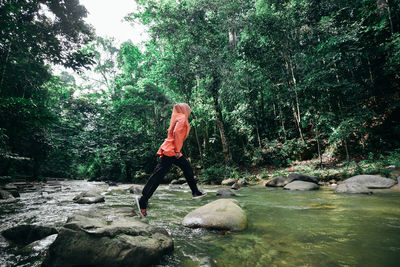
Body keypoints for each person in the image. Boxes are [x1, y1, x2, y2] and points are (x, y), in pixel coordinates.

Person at [135, 103, 206, 217]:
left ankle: (195, 192)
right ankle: (143, 200)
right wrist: (177, 150)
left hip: (171, 149)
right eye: (187, 109)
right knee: (158, 176)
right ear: (184, 110)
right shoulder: (182, 118)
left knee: (186, 168)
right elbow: (176, 133)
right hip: (171, 151)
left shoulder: (177, 117)